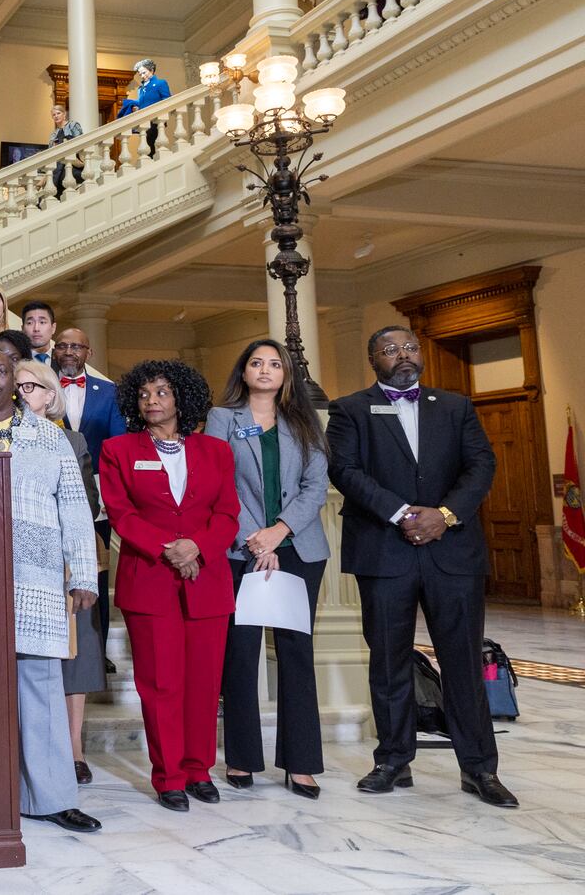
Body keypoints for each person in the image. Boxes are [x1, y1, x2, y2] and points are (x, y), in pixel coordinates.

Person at [327, 326, 514, 808]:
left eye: (410, 347)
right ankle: (393, 760)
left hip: (451, 552)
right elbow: (344, 471)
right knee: (389, 661)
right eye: (390, 349)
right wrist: (401, 513)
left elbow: (481, 466)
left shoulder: (455, 406)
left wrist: (444, 515)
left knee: (462, 663)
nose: (403, 355)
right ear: (374, 359)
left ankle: (479, 769)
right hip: (384, 550)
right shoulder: (351, 409)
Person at [0, 350, 101, 834]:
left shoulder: (51, 438)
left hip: (37, 578)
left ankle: (49, 797)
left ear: (15, 379)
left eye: (2, 371)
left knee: (41, 688)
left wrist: (84, 575)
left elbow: (75, 510)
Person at [98, 359, 238, 812]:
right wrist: (171, 549)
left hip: (207, 579)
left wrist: (197, 547)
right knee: (160, 685)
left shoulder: (216, 451)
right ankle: (169, 776)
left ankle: (199, 770)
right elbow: (122, 514)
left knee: (203, 683)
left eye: (161, 392)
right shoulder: (118, 449)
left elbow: (227, 514)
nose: (152, 400)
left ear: (181, 397)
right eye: (143, 394)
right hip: (151, 580)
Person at [206, 339, 331, 797]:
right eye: (256, 363)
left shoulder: (304, 420)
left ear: (286, 374)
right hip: (240, 548)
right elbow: (217, 482)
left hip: (298, 548)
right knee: (240, 654)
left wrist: (278, 532)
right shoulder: (224, 419)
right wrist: (255, 537)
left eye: (275, 364)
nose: (265, 369)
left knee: (296, 654)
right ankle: (241, 757)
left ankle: (301, 763)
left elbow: (316, 485)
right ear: (243, 372)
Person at [15, 357, 105, 784]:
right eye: (16, 386)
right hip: (12, 564)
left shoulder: (71, 440)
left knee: (76, 652)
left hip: (65, 560)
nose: (20, 392)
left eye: (30, 387)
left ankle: (73, 749)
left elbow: (85, 505)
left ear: (52, 396)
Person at [54, 326, 126, 660]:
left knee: (95, 569)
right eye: (63, 346)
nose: (69, 352)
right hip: (50, 488)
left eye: (76, 347)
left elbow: (117, 446)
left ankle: (98, 652)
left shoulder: (109, 392)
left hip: (95, 493)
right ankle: (59, 641)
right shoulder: (41, 386)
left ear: (88, 353)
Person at [116, 59, 171, 156]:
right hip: (144, 119)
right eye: (140, 74)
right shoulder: (141, 88)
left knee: (151, 142)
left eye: (144, 72)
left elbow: (167, 100)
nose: (142, 76)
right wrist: (135, 105)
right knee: (145, 144)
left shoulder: (160, 83)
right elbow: (143, 102)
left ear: (152, 70)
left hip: (155, 119)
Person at [48, 104, 84, 200]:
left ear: (64, 114)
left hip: (73, 163)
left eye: (58, 113)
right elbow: (50, 155)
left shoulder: (73, 125)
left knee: (59, 178)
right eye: (54, 115)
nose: (56, 116)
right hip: (58, 164)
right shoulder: (53, 135)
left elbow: (80, 142)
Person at [22, 300, 57, 365]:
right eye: (30, 323)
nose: (36, 329)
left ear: (53, 328)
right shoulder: (16, 360)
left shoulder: (63, 358)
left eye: (42, 322)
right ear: (23, 329)